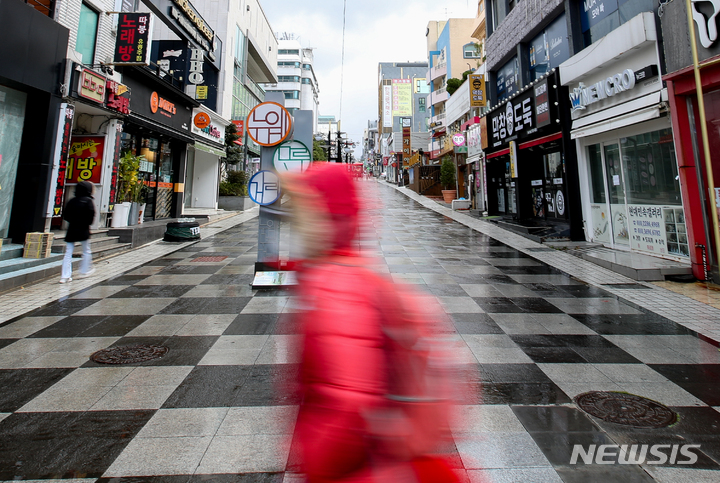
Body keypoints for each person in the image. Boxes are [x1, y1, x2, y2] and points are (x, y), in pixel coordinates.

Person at [283, 164, 460, 483]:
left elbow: (347, 405)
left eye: (302, 213)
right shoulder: (364, 279)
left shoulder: (334, 288)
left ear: (322, 217)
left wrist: (315, 458)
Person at [60, 181, 96, 283]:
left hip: (72, 229)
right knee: (86, 251)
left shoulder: (72, 201)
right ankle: (84, 271)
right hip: (84, 229)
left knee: (68, 252)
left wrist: (73, 221)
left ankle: (65, 276)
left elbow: (66, 215)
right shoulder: (88, 201)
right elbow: (91, 217)